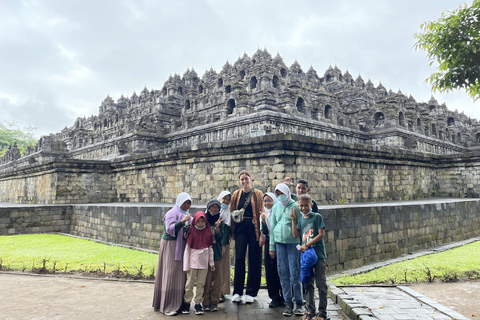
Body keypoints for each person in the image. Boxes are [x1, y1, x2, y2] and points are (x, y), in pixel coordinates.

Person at [153, 192, 192, 316]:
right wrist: (182, 221)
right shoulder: (172, 213)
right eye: (185, 202)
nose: (187, 205)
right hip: (171, 246)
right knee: (170, 272)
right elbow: (170, 229)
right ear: (180, 202)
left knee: (180, 274)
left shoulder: (186, 214)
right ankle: (168, 304)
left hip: (181, 246)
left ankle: (179, 303)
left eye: (189, 203)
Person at [269, 183, 305, 317]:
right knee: (283, 273)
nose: (280, 197)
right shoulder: (276, 206)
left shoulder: (295, 206)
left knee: (295, 272)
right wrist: (271, 247)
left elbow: (301, 226)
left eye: (282, 194)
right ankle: (288, 303)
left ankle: (300, 303)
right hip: (279, 243)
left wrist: (302, 245)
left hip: (293, 243)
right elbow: (272, 228)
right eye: (277, 194)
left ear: (288, 193)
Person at [230, 170, 264, 304]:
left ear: (251, 179)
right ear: (239, 181)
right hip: (240, 228)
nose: (244, 181)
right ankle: (237, 291)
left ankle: (251, 291)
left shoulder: (258, 194)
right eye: (242, 179)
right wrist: (231, 231)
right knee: (239, 258)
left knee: (254, 259)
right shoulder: (236, 194)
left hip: (254, 227)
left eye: (246, 179)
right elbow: (232, 211)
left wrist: (262, 234)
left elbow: (262, 212)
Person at [292, 194, 327, 320]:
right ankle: (311, 310)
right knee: (307, 283)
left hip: (318, 254)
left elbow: (320, 234)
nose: (303, 208)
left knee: (321, 283)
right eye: (301, 206)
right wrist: (293, 220)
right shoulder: (301, 220)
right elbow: (296, 235)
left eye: (306, 206)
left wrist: (307, 244)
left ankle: (322, 313)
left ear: (311, 205)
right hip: (306, 256)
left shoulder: (317, 217)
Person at [181, 211, 215, 316]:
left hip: (203, 265)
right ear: (194, 222)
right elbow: (187, 251)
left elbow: (210, 249)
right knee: (189, 284)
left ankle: (197, 303)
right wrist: (186, 266)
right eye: (198, 222)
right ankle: (187, 302)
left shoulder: (208, 233)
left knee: (201, 284)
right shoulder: (191, 233)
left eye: (202, 221)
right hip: (192, 264)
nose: (200, 224)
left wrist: (211, 263)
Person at [260, 192, 284, 308]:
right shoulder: (264, 214)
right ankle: (275, 297)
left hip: (280, 242)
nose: (267, 203)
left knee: (282, 270)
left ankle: (285, 296)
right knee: (270, 271)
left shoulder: (279, 212)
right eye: (265, 201)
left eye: (269, 200)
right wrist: (264, 222)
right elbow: (264, 232)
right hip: (269, 242)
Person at [202, 199, 224, 312]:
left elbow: (221, 238)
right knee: (206, 278)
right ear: (208, 207)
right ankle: (205, 301)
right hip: (204, 254)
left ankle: (214, 302)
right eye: (212, 207)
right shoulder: (203, 219)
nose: (214, 210)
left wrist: (218, 228)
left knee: (216, 279)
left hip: (217, 253)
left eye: (217, 208)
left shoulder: (221, 220)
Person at [217, 191, 232, 302]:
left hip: (223, 243)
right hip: (212, 243)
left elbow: (227, 229)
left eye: (228, 199)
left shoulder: (228, 212)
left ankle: (221, 291)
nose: (225, 201)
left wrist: (223, 244)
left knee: (223, 267)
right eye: (224, 199)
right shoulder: (213, 208)